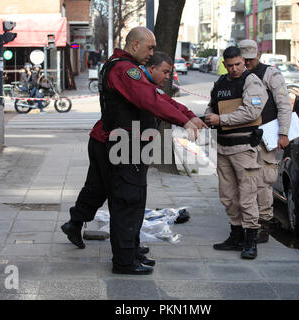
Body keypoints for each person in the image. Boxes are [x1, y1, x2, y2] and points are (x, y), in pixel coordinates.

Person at [61, 27, 206, 275]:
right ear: (134, 44)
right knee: (128, 201)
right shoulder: (125, 70)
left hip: (115, 141)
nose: (152, 53)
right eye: (149, 48)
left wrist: (189, 115)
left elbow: (158, 97)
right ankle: (125, 260)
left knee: (101, 191)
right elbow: (150, 100)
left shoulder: (124, 67)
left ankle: (119, 245)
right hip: (124, 145)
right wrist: (184, 121)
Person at [204, 46, 268, 259]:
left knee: (247, 195)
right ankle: (236, 235)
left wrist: (221, 120)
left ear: (244, 62)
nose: (234, 69)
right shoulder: (220, 83)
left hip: (244, 148)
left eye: (237, 64)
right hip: (223, 147)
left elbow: (252, 111)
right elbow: (211, 106)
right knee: (228, 196)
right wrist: (209, 116)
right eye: (229, 65)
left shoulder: (252, 82)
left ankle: (251, 241)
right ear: (224, 64)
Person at [238, 40, 291, 243]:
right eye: (245, 59)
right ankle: (248, 222)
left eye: (251, 59)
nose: (248, 63)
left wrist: (283, 133)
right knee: (244, 183)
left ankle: (263, 224)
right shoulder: (238, 74)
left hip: (266, 137)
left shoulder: (271, 74)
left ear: (258, 55)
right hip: (243, 138)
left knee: (262, 183)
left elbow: (284, 105)